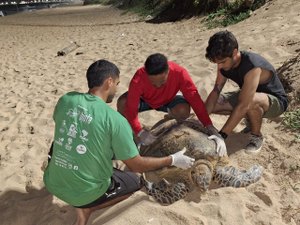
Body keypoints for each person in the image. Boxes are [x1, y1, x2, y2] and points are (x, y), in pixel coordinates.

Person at [43, 59, 195, 225]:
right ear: (109, 82)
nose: (116, 88)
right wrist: (173, 159)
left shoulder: (67, 99)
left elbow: (71, 124)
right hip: (85, 194)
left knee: (70, 136)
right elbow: (137, 165)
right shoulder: (115, 119)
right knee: (136, 180)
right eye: (117, 83)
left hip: (53, 182)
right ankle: (88, 208)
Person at [117, 53, 226, 156]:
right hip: (146, 100)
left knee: (183, 110)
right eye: (153, 83)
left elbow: (195, 100)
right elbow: (131, 109)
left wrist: (210, 127)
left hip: (168, 99)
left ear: (168, 71)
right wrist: (139, 132)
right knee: (122, 103)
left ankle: (170, 123)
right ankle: (131, 137)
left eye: (162, 82)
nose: (158, 86)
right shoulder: (139, 78)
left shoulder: (179, 73)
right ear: (146, 73)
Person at [205, 30, 288, 153]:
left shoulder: (252, 65)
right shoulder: (223, 62)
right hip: (248, 94)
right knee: (214, 102)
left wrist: (221, 136)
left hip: (276, 102)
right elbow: (216, 90)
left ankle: (256, 135)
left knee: (250, 102)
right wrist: (203, 120)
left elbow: (244, 104)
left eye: (222, 62)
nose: (220, 66)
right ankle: (251, 118)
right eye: (217, 63)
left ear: (234, 52)